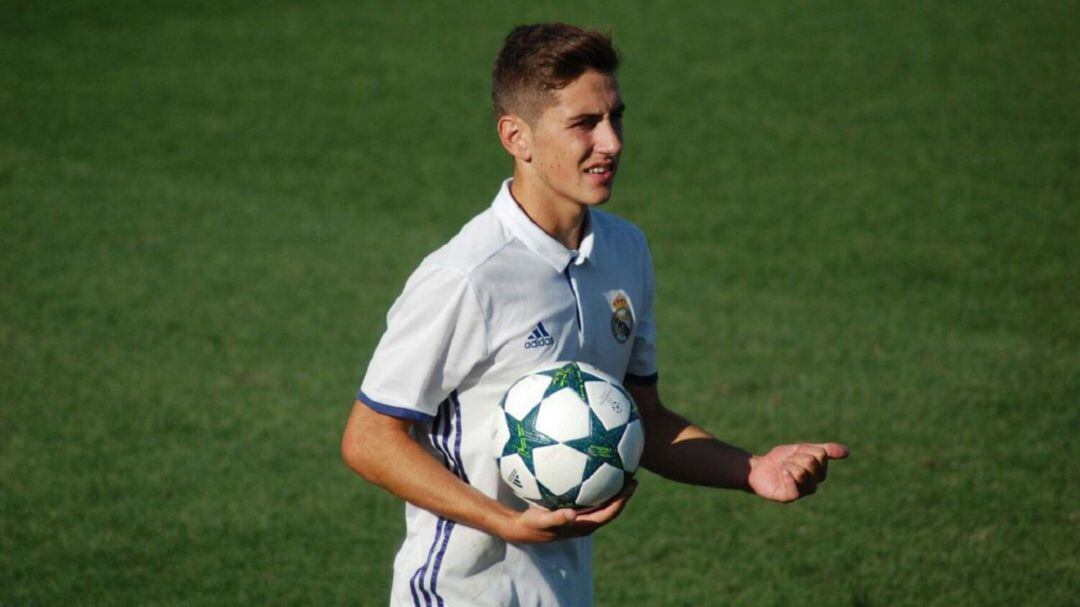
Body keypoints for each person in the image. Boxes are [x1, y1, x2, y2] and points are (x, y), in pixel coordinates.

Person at [341, 22, 849, 607]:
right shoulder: (466, 278)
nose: (612, 142)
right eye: (584, 124)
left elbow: (640, 418)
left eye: (615, 117)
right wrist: (502, 521)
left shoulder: (624, 251)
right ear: (517, 137)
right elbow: (370, 439)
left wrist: (751, 468)